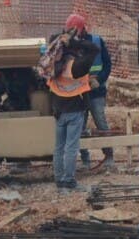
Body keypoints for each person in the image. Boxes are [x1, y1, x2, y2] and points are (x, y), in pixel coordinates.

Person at [47, 22, 100, 192]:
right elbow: (94, 49)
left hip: (58, 110)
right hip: (75, 110)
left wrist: (62, 39)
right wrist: (77, 42)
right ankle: (68, 181)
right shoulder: (77, 66)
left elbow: (52, 40)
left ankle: (59, 179)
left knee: (59, 147)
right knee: (71, 147)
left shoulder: (53, 66)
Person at [73, 14, 116, 171]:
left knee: (101, 122)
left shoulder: (97, 41)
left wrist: (100, 79)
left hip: (96, 92)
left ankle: (109, 156)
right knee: (80, 126)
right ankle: (85, 160)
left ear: (83, 28)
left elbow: (107, 64)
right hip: (79, 93)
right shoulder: (71, 46)